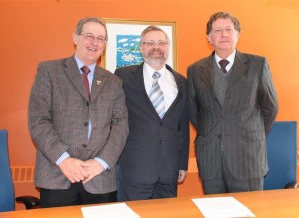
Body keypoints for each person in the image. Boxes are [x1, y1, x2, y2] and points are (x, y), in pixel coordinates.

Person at [28, 17, 129, 208]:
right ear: (75, 38)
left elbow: (121, 125)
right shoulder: (49, 71)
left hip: (99, 179)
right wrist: (64, 159)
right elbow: (38, 120)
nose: (95, 42)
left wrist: (101, 162)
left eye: (101, 38)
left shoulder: (113, 82)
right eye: (89, 36)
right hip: (57, 174)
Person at [187, 12, 278, 194]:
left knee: (250, 212)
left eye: (229, 29)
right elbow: (194, 112)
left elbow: (270, 108)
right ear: (209, 38)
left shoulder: (257, 65)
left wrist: (251, 132)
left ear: (237, 34)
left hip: (247, 157)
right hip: (211, 160)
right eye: (218, 30)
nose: (224, 34)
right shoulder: (195, 70)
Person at [114, 25, 189, 201]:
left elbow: (182, 126)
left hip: (169, 172)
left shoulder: (182, 81)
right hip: (135, 170)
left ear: (168, 47)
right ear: (141, 48)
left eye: (161, 43)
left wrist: (181, 164)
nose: (156, 48)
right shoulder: (122, 76)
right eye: (150, 43)